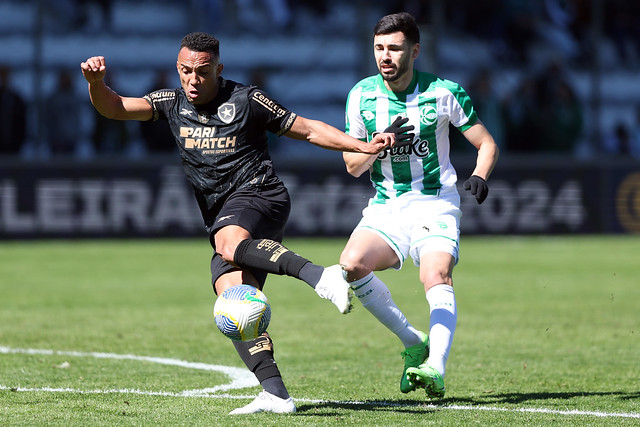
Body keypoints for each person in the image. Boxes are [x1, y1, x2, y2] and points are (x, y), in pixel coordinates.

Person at [80, 32, 398, 415]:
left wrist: (361, 146)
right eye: (185, 71)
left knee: (227, 244)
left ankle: (321, 276)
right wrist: (96, 84)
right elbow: (114, 108)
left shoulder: (247, 99)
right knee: (233, 301)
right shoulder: (170, 102)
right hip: (222, 213)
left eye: (201, 71)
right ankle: (277, 394)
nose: (192, 80)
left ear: (219, 68)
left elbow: (309, 128)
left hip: (261, 194)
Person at [339, 12, 499, 399]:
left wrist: (479, 175)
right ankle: (413, 342)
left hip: (434, 203)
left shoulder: (444, 92)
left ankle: (435, 367)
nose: (385, 56)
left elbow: (487, 144)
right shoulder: (361, 95)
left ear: (415, 49)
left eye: (394, 48)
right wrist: (378, 144)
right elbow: (352, 166)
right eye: (379, 48)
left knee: (436, 275)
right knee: (351, 266)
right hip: (386, 206)